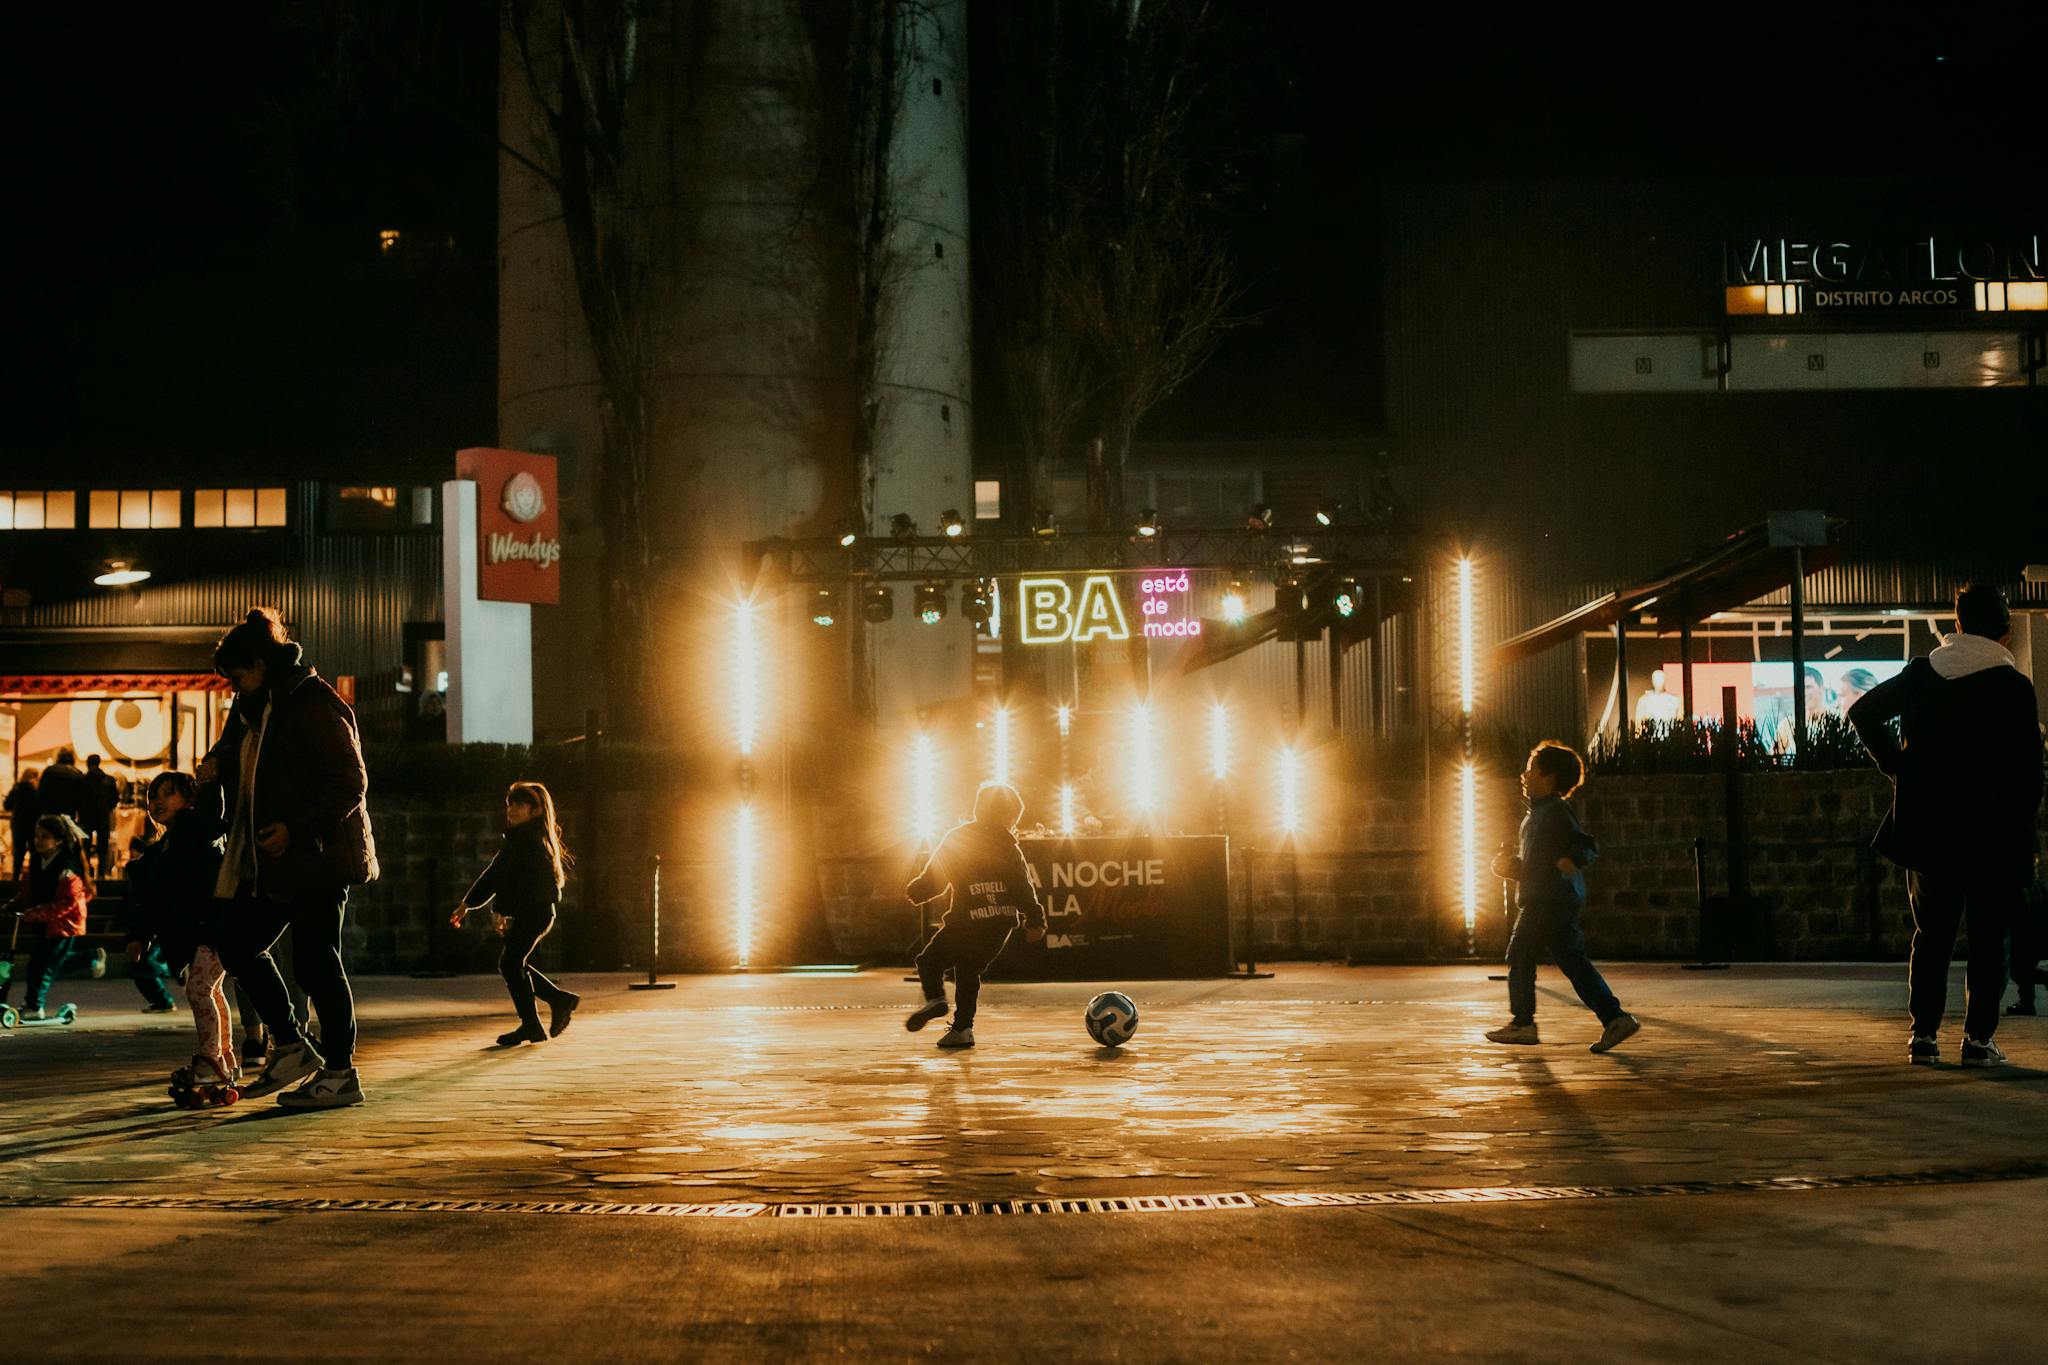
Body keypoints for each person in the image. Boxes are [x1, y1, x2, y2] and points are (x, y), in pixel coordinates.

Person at [1849, 583, 2044, 1067]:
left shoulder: (1922, 675)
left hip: (1930, 828)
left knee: (1932, 936)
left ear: (1957, 626)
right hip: (1993, 834)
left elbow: (1863, 711)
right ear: (2003, 631)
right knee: (1988, 940)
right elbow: (2028, 772)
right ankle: (1978, 1041)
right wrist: (2024, 831)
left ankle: (1924, 1037)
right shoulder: (2013, 687)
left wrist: (1899, 767)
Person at [201, 608, 379, 1109]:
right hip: (274, 861)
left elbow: (350, 781)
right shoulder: (254, 707)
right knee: (238, 943)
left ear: (259, 664)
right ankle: (294, 1046)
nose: (234, 688)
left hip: (318, 858)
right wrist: (216, 763)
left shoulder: (313, 702)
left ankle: (341, 1072)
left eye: (237, 677)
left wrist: (295, 829)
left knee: (317, 963)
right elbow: (236, 753)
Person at [1485, 741, 1641, 1053]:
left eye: (1532, 770)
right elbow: (1534, 867)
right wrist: (1511, 868)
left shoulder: (1555, 811)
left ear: (1550, 778)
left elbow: (1586, 844)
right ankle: (1614, 1018)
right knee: (1573, 962)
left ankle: (1523, 1022)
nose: (1524, 775)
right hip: (1553, 896)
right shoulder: (1536, 816)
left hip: (1548, 899)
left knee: (1519, 952)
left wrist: (1573, 858)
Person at [903, 781, 1047, 1050]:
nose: (1012, 825)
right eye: (1012, 818)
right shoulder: (1009, 846)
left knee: (929, 961)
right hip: (999, 926)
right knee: (969, 970)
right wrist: (1035, 920)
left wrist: (918, 891)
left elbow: (937, 875)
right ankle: (962, 1029)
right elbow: (1022, 885)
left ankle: (935, 1000)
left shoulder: (958, 837)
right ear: (1005, 816)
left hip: (966, 922)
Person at [127, 772, 238, 1098]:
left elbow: (212, 815)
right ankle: (223, 1057)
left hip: (216, 925)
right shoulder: (162, 851)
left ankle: (210, 1059)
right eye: (152, 797)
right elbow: (151, 903)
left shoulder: (198, 832)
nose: (156, 803)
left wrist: (211, 782)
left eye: (167, 795)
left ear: (190, 801)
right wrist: (139, 936)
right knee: (211, 990)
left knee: (199, 988)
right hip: (201, 929)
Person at [450, 782, 581, 1047]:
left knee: (510, 963)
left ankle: (543, 1014)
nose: (511, 810)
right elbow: (495, 873)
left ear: (536, 810)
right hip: (533, 912)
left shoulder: (528, 841)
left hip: (537, 911)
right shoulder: (519, 838)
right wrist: (468, 904)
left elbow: (511, 880)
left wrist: (500, 910)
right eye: (510, 804)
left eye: (519, 805)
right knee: (512, 963)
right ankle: (543, 1014)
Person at [1, 815, 94, 1021]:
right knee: (49, 962)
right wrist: (14, 905)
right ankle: (91, 958)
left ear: (58, 840)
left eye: (45, 837)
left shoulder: (67, 867)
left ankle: (34, 1005)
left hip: (64, 924)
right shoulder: (36, 860)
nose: (39, 841)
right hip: (45, 923)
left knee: (41, 965)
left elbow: (67, 902)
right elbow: (28, 891)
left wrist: (35, 913)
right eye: (37, 836)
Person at [81, 754, 119, 878]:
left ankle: (86, 872)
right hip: (103, 817)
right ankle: (101, 873)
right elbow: (115, 799)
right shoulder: (109, 779)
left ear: (88, 763)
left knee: (86, 846)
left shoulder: (83, 780)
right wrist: (107, 807)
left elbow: (78, 799)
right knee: (102, 847)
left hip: (86, 817)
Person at [37, 748, 86, 826]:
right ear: (73, 758)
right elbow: (82, 800)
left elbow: (41, 795)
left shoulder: (49, 771)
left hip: (50, 813)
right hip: (69, 815)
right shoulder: (78, 774)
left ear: (58, 757)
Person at [4, 767, 37, 879]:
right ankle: (32, 880)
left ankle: (15, 879)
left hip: (18, 824)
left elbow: (7, 805)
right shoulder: (37, 789)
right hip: (33, 824)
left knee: (18, 853)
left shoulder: (17, 788)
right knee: (34, 852)